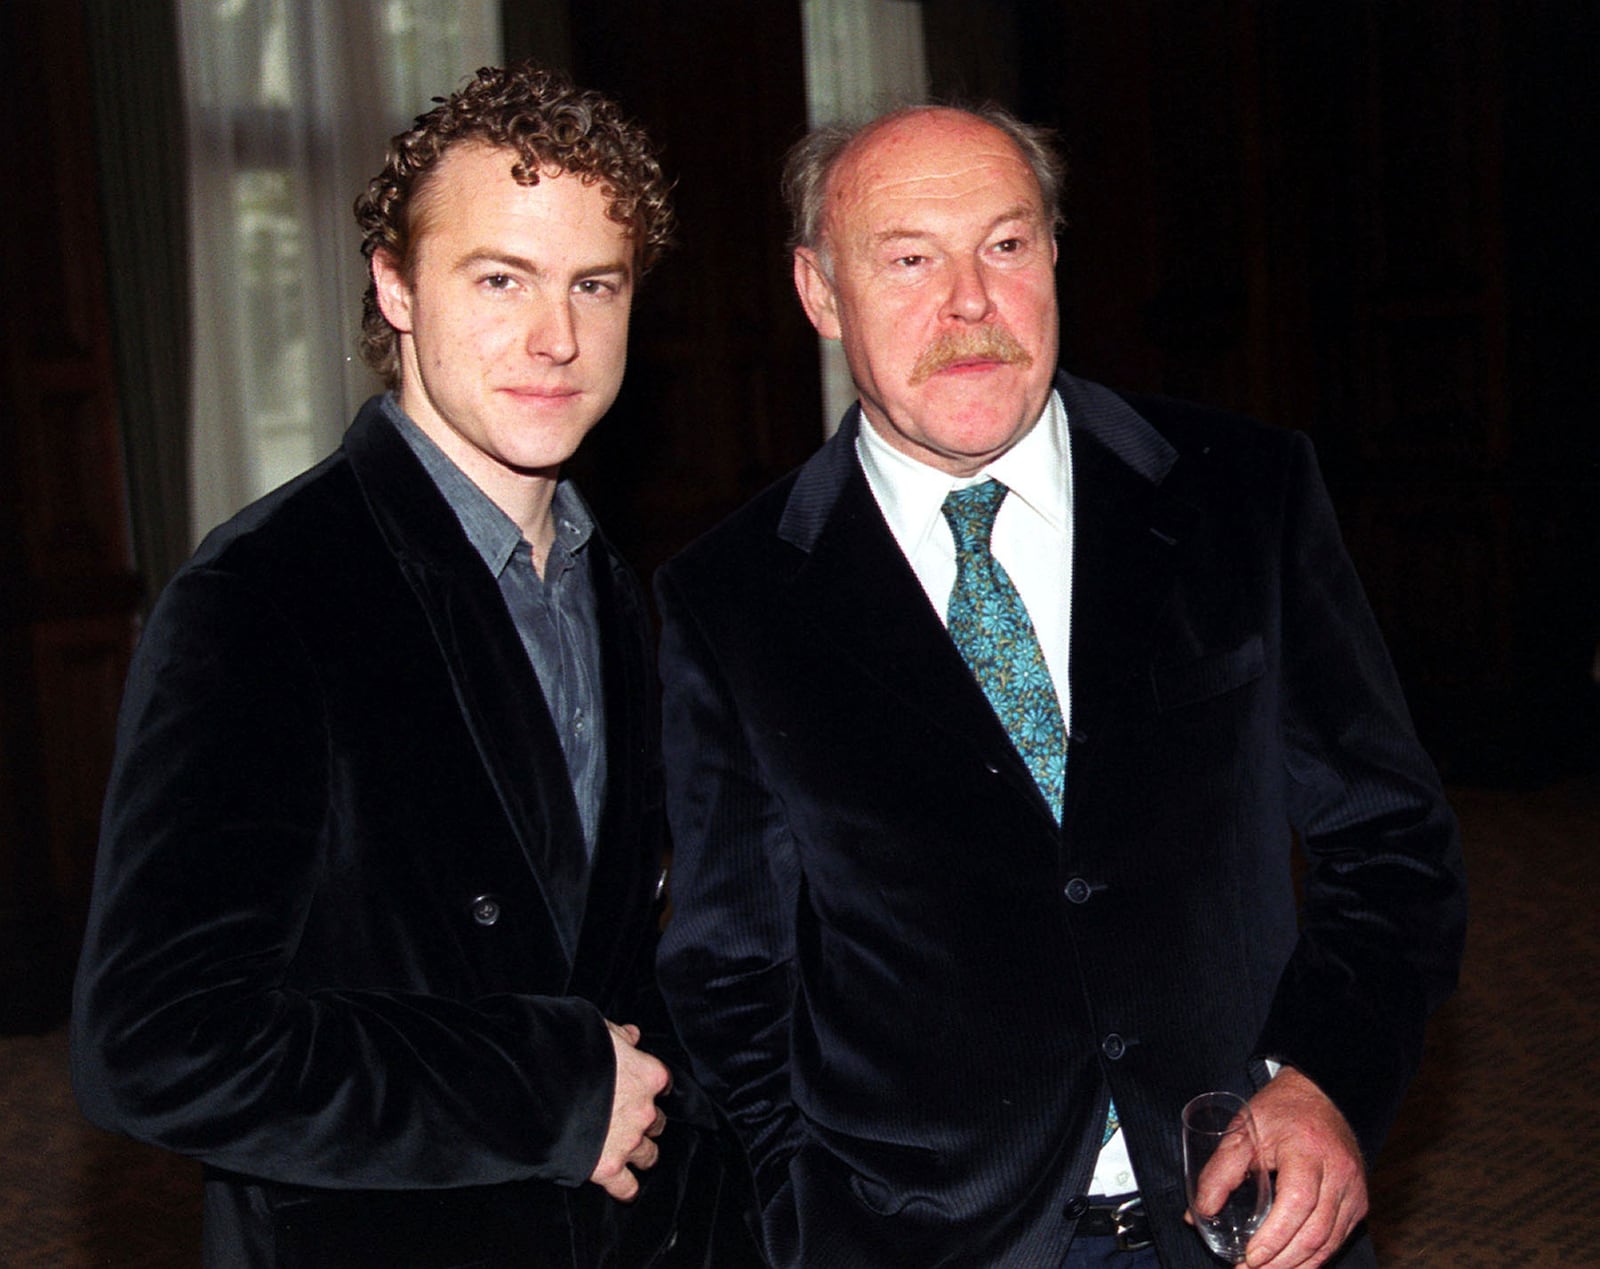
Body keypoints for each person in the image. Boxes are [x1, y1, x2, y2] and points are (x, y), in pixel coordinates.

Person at [652, 103, 1466, 1269]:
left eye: (1006, 244)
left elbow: (1391, 842)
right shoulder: (732, 599)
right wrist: (808, 1215)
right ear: (820, 295)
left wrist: (1325, 1079)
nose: (969, 303)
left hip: (1250, 1221)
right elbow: (730, 971)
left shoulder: (1241, 494)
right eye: (908, 259)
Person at [73, 63, 742, 1268]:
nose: (557, 338)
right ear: (395, 288)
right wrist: (539, 1090)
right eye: (501, 279)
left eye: (596, 284)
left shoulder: (610, 580)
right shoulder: (264, 595)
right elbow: (156, 1045)